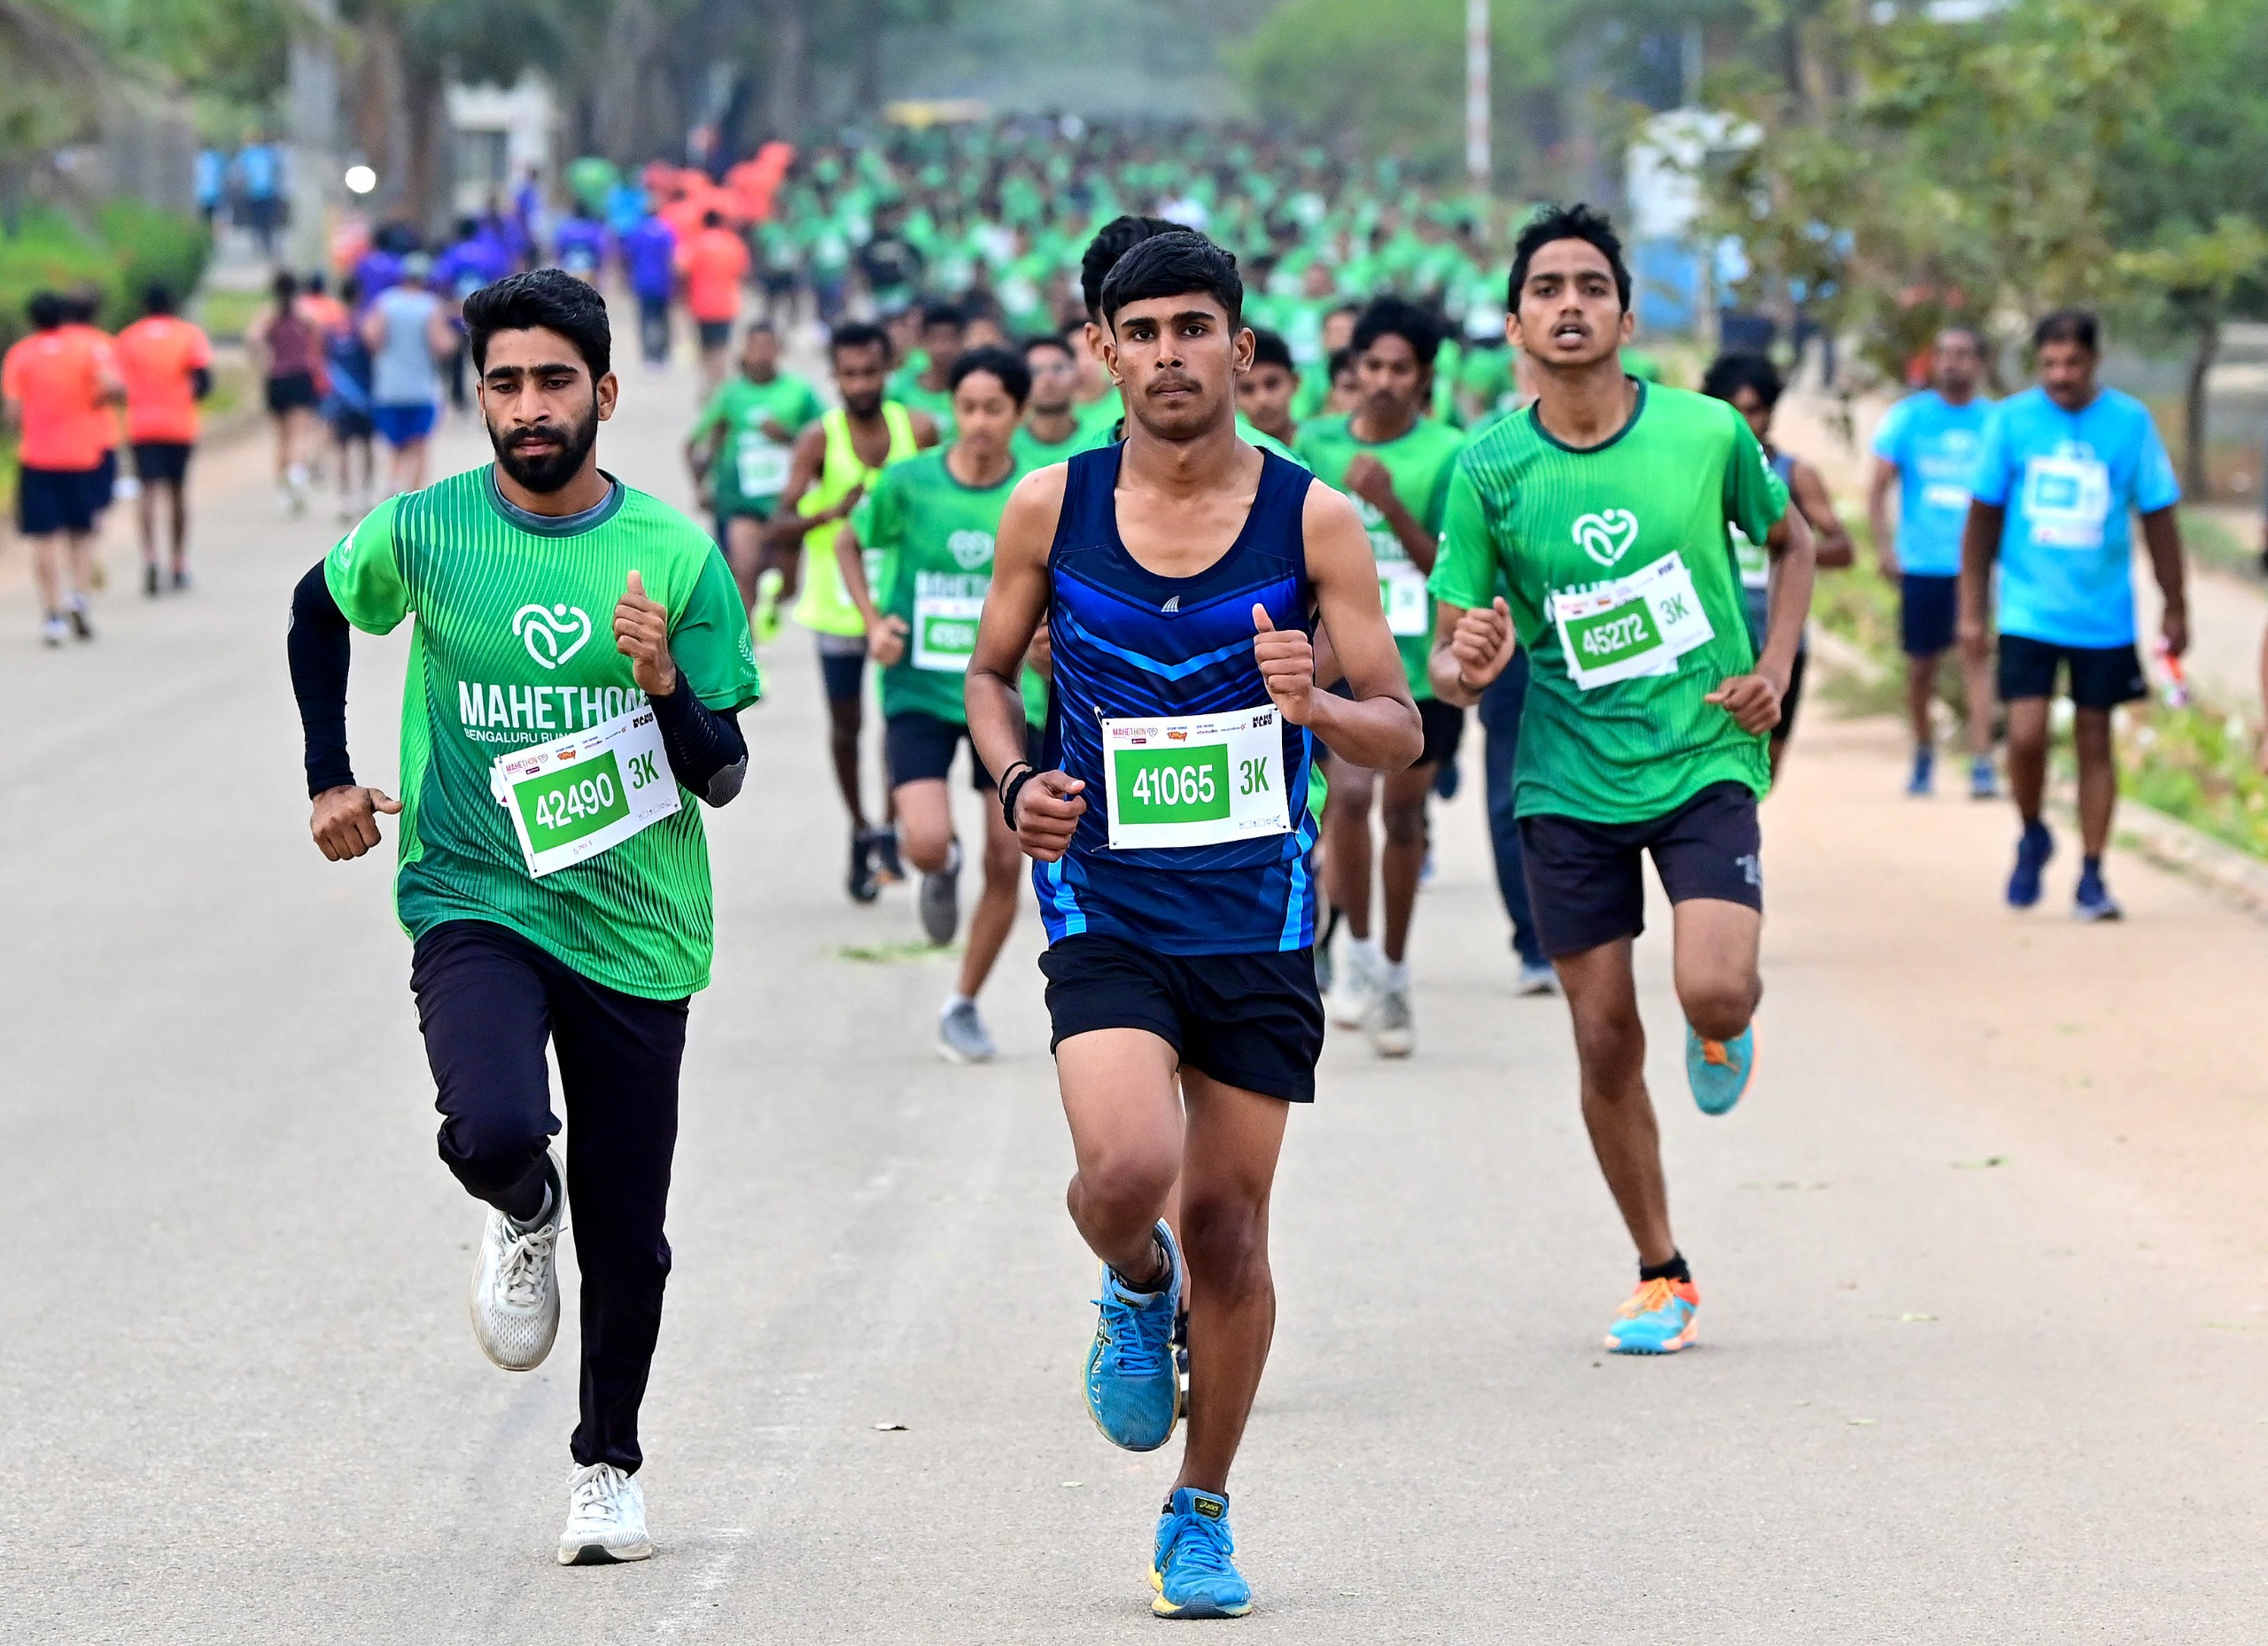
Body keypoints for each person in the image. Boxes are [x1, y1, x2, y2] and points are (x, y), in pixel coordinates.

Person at [965, 230, 1420, 1620]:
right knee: (1125, 1172)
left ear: (1240, 345)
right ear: (1103, 350)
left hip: (1260, 916)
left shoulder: (1314, 520)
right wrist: (1016, 784)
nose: (1171, 353)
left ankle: (1201, 1507)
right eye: (1144, 330)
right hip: (1105, 897)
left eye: (1195, 327)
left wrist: (1316, 703)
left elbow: (1399, 728)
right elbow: (990, 676)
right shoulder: (1050, 507)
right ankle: (1132, 1276)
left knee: (1229, 1225)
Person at [287, 268, 761, 1566]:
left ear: (603, 390)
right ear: (479, 396)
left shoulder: (673, 556)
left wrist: (662, 680)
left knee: (631, 1230)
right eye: (505, 384)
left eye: (554, 381)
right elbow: (317, 609)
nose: (530, 406)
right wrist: (329, 775)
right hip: (474, 893)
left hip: (636, 923)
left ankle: (608, 1464)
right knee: (491, 1125)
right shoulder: (426, 530)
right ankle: (520, 1198)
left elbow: (721, 772)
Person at [1428, 204, 1815, 1356]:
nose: (1570, 304)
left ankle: (1721, 1028)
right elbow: (1450, 657)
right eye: (1546, 289)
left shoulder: (1705, 432)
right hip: (1566, 777)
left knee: (1714, 989)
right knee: (1603, 1040)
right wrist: (1467, 665)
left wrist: (1774, 666)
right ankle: (1661, 1269)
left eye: (1591, 286)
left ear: (1626, 316)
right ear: (1514, 325)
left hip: (1702, 749)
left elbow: (1791, 542)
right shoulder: (1488, 468)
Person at [837, 346, 1046, 1061]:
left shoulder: (1040, 494)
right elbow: (848, 542)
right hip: (920, 690)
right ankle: (941, 865)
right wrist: (873, 622)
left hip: (1012, 695)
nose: (980, 422)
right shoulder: (908, 482)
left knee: (1007, 858)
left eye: (995, 409)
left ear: (1019, 414)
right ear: (952, 409)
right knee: (923, 843)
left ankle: (963, 1002)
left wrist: (1051, 640)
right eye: (968, 408)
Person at [1960, 308, 2185, 921]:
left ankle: (2092, 872)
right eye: (2050, 364)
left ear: (2095, 361)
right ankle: (2033, 830)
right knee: (2026, 735)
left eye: (2074, 363)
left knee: (2095, 739)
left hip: (2103, 615)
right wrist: (1972, 609)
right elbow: (1981, 521)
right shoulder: (2012, 422)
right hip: (2029, 610)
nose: (2062, 375)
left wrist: (2175, 604)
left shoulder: (2130, 423)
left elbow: (2159, 516)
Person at [1293, 296, 1468, 1054]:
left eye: (1402, 369)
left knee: (1402, 817)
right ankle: (1358, 954)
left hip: (1420, 668)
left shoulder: (1449, 452)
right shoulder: (1315, 444)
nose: (1386, 381)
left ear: (1424, 377)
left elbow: (1449, 571)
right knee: (1351, 795)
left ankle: (1395, 972)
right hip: (1338, 656)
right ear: (1353, 370)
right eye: (1373, 366)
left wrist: (1389, 505)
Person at [771, 321, 940, 899]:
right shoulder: (819, 439)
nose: (861, 384)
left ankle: (892, 828)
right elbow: (778, 524)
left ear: (888, 370)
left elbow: (942, 498)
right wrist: (828, 514)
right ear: (835, 376)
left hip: (900, 605)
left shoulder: (918, 428)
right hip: (836, 609)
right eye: (850, 374)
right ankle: (860, 827)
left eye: (871, 372)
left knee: (901, 722)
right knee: (847, 727)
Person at [1699, 352, 1855, 781]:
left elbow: (1843, 548)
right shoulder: (1698, 475)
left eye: (1754, 410)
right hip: (1714, 639)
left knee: (1767, 765)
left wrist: (1788, 548)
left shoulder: (1794, 475)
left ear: (1771, 412)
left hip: (1779, 641)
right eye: (1732, 410)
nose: (1744, 423)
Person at [1870, 328, 2000, 798]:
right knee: (1921, 668)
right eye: (1944, 353)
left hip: (1974, 566)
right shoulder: (1909, 418)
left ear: (1979, 363)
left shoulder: (1995, 422)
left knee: (1976, 657)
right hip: (1922, 563)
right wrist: (1885, 547)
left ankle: (1982, 761)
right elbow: (1878, 487)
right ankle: (1924, 751)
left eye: (1963, 354)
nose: (1951, 362)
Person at [683, 320, 824, 641]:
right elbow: (694, 444)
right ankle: (749, 650)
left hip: (786, 504)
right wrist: (701, 487)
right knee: (744, 574)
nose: (761, 354)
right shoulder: (731, 394)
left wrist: (788, 437)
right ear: (744, 351)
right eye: (754, 347)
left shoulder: (799, 393)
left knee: (788, 586)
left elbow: (828, 438)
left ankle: (771, 605)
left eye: (767, 346)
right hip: (741, 501)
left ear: (779, 350)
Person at [3, 291, 120, 644]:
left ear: (31, 320)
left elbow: (12, 412)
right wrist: (94, 402)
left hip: (38, 457)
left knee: (44, 538)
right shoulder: (85, 350)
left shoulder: (20, 355)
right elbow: (113, 387)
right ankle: (79, 595)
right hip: (81, 455)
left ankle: (52, 614)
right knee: (81, 532)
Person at [112, 283, 213, 594]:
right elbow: (204, 381)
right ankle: (179, 562)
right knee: (178, 492)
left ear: (144, 306)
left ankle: (150, 558)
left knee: (148, 492)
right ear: (173, 305)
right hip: (179, 425)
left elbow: (116, 385)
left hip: (142, 426)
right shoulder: (188, 335)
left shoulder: (128, 338)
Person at [361, 252, 454, 496]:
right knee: (419, 446)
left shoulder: (385, 302)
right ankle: (415, 497)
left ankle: (392, 487)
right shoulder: (430, 305)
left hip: (388, 389)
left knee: (394, 446)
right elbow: (441, 344)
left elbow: (371, 338)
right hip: (420, 389)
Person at [322, 275, 379, 522]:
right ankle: (365, 494)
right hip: (364, 396)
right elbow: (375, 351)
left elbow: (322, 359)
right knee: (367, 446)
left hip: (339, 398)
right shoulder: (364, 325)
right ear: (359, 296)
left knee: (342, 449)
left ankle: (345, 499)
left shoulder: (330, 329)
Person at [677, 210, 751, 396]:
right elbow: (743, 271)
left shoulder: (695, 244)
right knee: (721, 348)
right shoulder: (732, 244)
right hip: (725, 304)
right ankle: (720, 384)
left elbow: (681, 269)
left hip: (700, 304)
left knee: (705, 347)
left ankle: (708, 384)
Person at [1014, 332, 1111, 465]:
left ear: (1077, 375)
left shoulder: (1103, 443)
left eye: (1058, 368)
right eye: (1035, 371)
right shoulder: (1007, 446)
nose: (1048, 379)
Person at [889, 301, 967, 439]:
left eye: (951, 338)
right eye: (935, 338)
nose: (944, 348)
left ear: (962, 341)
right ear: (923, 341)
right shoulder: (900, 391)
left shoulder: (970, 393)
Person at [622, 207, 678, 369]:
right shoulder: (666, 231)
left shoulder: (637, 231)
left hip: (642, 282)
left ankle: (648, 355)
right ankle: (663, 354)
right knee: (663, 319)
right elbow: (672, 257)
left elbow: (627, 255)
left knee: (645, 319)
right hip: (663, 282)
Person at [1234, 327, 1300, 449]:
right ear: (1232, 396)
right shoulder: (1226, 455)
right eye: (1247, 389)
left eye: (1272, 384)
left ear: (1295, 382)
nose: (1262, 399)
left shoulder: (1330, 447)